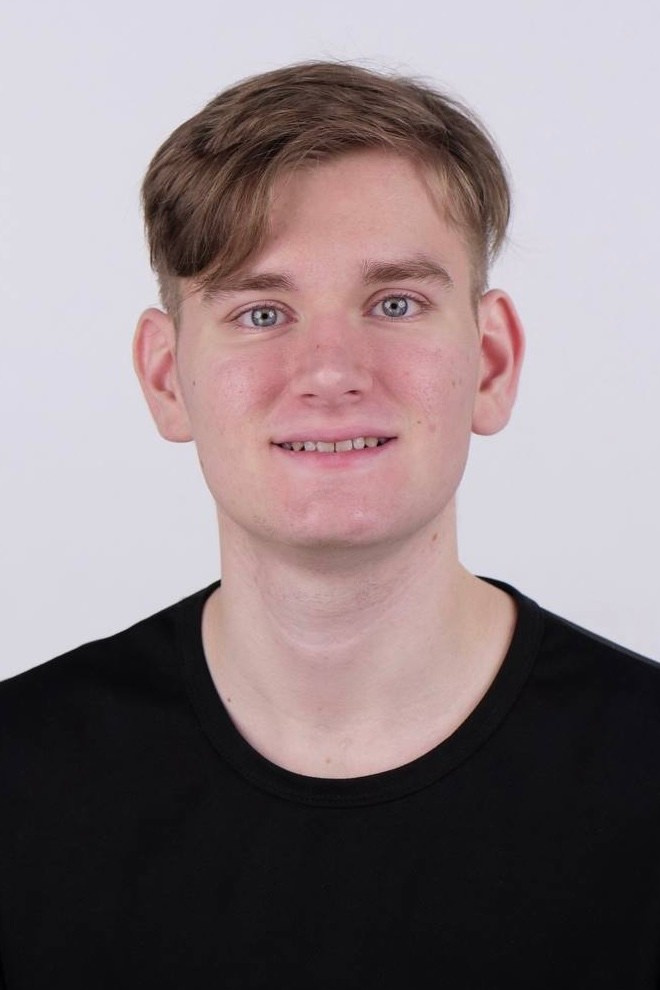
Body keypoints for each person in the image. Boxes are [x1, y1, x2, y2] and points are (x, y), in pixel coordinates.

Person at [1, 61, 659, 989]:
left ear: (492, 361)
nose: (330, 371)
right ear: (166, 376)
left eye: (395, 303)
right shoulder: (20, 779)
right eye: (261, 312)